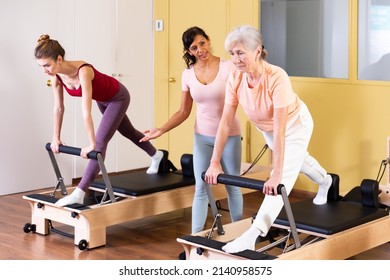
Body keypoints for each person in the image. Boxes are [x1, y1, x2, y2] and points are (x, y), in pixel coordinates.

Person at [204, 25, 333, 254]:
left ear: (257, 51)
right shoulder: (235, 78)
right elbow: (225, 122)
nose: (236, 59)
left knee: (282, 176)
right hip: (269, 129)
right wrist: (214, 161)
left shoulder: (277, 77)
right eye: (232, 54)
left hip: (295, 126)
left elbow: (281, 127)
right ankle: (325, 180)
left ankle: (254, 233)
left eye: (241, 53)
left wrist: (276, 173)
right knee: (298, 162)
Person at [34, 34, 163, 207]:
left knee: (100, 143)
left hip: (118, 97)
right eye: (41, 67)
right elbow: (58, 108)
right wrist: (55, 137)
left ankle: (79, 192)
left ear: (59, 59)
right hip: (103, 101)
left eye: (47, 65)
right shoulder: (55, 77)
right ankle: (157, 155)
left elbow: (86, 111)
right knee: (128, 131)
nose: (45, 70)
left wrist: (92, 143)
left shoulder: (83, 71)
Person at [140, 26, 243, 235]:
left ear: (209, 40)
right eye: (194, 47)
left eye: (202, 43)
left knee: (233, 186)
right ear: (188, 51)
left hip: (230, 136)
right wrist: (161, 130)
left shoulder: (229, 67)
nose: (200, 50)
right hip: (202, 137)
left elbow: (244, 100)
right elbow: (183, 111)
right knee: (200, 187)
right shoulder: (187, 74)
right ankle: (195, 239)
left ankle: (239, 236)